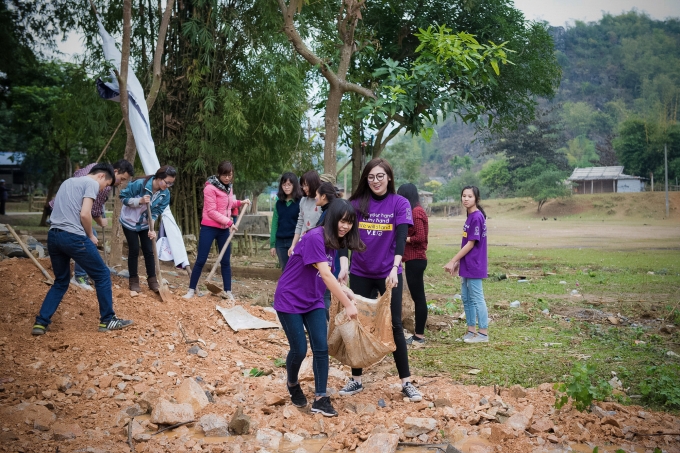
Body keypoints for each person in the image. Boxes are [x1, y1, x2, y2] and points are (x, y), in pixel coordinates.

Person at [338, 158, 423, 402]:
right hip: (361, 272)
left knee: (395, 325)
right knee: (357, 323)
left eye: (380, 176)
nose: (376, 181)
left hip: (389, 273)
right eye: (371, 176)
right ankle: (356, 380)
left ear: (389, 177)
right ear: (366, 179)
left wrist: (395, 268)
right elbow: (343, 237)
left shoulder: (400, 203)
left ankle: (406, 382)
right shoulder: (355, 204)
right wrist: (344, 265)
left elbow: (400, 239)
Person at [274, 200, 365, 417]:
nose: (345, 226)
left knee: (321, 348)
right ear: (332, 218)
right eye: (342, 221)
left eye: (350, 223)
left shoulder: (334, 242)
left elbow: (326, 274)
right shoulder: (315, 237)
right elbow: (324, 274)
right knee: (299, 349)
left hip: (313, 299)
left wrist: (346, 290)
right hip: (290, 299)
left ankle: (321, 398)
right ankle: (293, 383)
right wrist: (347, 303)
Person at [31, 164, 133, 335]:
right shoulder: (92, 184)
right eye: (106, 184)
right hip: (74, 237)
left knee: (61, 281)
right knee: (102, 275)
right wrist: (90, 235)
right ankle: (108, 320)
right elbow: (85, 214)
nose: (104, 188)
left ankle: (41, 323)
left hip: (53, 236)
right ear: (101, 176)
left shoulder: (68, 182)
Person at [49, 160, 135, 290]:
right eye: (122, 178)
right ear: (115, 171)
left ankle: (84, 272)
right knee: (91, 236)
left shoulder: (93, 167)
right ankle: (80, 276)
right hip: (70, 215)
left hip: (58, 209)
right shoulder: (103, 184)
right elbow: (91, 211)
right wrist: (101, 221)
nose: (121, 182)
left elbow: (76, 173)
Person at [183, 161, 250, 300]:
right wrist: (230, 222)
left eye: (230, 175)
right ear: (219, 174)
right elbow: (211, 211)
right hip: (209, 227)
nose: (227, 178)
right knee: (201, 259)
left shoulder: (229, 187)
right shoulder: (210, 188)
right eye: (225, 175)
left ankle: (228, 291)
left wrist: (240, 202)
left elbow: (229, 203)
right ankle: (191, 290)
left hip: (224, 229)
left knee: (225, 261)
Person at [119, 165, 176, 293]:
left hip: (145, 223)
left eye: (171, 184)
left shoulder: (165, 194)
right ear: (159, 177)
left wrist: (152, 228)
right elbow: (123, 197)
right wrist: (139, 200)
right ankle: (133, 280)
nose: (168, 186)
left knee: (149, 250)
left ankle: (152, 280)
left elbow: (156, 212)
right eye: (167, 182)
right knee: (134, 249)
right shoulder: (140, 185)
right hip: (129, 221)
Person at [444, 186, 489, 343]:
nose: (466, 199)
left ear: (476, 198)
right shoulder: (470, 216)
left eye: (469, 196)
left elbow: (470, 244)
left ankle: (483, 334)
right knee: (466, 298)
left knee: (477, 298)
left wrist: (453, 260)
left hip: (475, 265)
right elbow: (466, 244)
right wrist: (460, 263)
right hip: (467, 264)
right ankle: (471, 331)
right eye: (464, 196)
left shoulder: (476, 217)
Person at [397, 183, 429, 345]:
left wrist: (402, 238)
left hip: (415, 259)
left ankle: (419, 336)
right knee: (418, 297)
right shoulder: (415, 210)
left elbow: (420, 238)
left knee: (419, 298)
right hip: (413, 259)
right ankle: (418, 334)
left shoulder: (416, 213)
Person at [315, 181, 342, 316]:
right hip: (331, 259)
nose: (315, 198)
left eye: (316, 195)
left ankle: (329, 327)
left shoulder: (328, 213)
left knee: (325, 296)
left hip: (327, 260)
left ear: (323, 196)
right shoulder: (331, 210)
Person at [269, 172, 301, 271]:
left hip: (295, 241)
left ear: (294, 186)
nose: (286, 187)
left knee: (296, 270)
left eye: (289, 185)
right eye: (284, 185)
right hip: (281, 243)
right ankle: (286, 287)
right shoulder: (279, 203)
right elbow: (274, 224)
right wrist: (272, 244)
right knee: (285, 270)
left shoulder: (301, 202)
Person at [288, 170, 321, 256]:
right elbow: (300, 223)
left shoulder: (322, 201)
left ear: (314, 183)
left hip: (317, 243)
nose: (304, 188)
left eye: (306, 185)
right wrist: (293, 245)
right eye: (302, 186)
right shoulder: (303, 200)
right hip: (303, 242)